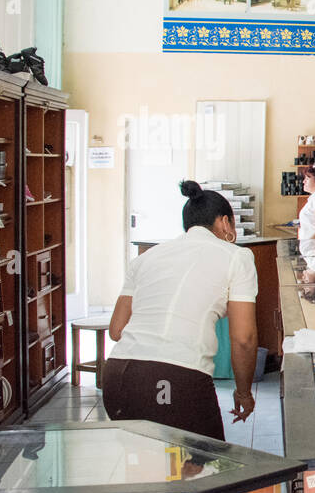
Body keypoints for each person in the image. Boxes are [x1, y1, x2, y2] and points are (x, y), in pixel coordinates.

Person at [105, 181, 258, 440]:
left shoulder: (146, 257)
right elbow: (244, 339)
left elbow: (117, 330)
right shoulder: (237, 257)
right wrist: (243, 392)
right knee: (203, 468)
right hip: (173, 379)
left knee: (145, 467)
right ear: (224, 223)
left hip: (117, 377)